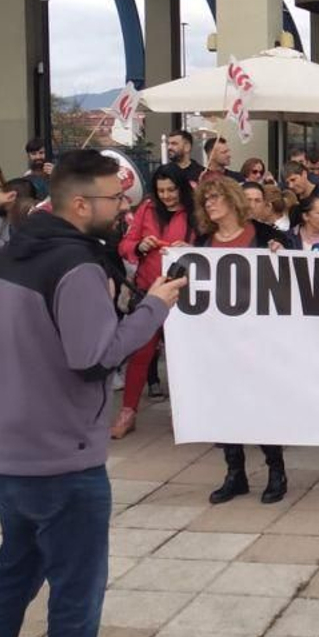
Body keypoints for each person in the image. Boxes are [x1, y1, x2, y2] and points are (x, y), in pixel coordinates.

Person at [0, 150, 184, 637]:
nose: (124, 210)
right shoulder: (75, 267)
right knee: (76, 595)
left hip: (13, 451)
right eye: (115, 200)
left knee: (12, 582)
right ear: (82, 205)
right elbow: (94, 353)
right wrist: (155, 305)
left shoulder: (25, 249)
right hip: (61, 459)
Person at [196, 176, 288, 504]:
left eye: (215, 197)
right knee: (225, 405)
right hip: (218, 340)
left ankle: (276, 469)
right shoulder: (203, 243)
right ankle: (235, 473)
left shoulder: (263, 236)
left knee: (261, 404)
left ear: (232, 200)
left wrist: (281, 250)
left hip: (257, 339)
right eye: (206, 199)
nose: (210, 203)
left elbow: (293, 265)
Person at [112, 165, 197, 439]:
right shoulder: (147, 209)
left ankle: (185, 413)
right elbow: (125, 245)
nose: (167, 196)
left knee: (183, 355)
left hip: (184, 294)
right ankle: (128, 411)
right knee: (141, 353)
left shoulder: (196, 212)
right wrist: (139, 247)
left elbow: (209, 246)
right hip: (148, 291)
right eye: (161, 191)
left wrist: (194, 250)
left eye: (171, 190)